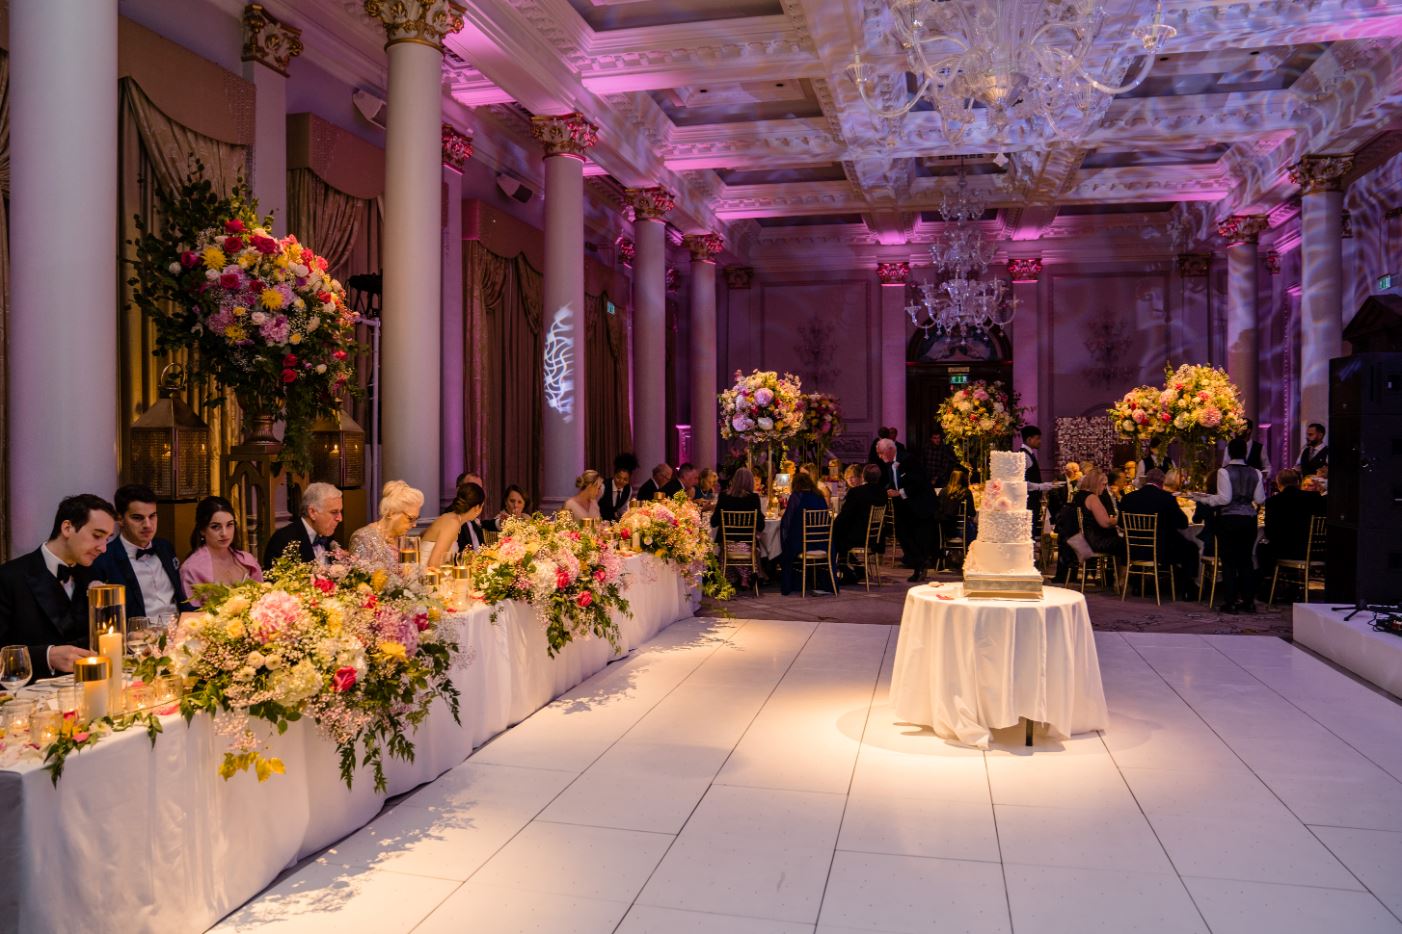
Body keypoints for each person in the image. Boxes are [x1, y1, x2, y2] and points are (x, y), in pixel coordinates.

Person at [0, 494, 116, 677]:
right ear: (67, 528)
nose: (103, 548)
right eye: (97, 536)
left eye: (107, 539)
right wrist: (47, 657)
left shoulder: (94, 575)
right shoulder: (9, 578)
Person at [1189, 436, 1266, 614]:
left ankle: (1230, 602)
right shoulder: (1256, 472)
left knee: (1229, 561)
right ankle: (1249, 602)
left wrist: (1206, 498)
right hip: (1249, 520)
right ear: (1245, 452)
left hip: (1230, 520)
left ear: (1229, 452)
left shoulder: (1224, 472)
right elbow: (1260, 499)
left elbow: (1225, 498)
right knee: (1246, 560)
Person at [92, 483, 191, 620]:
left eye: (152, 516)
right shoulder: (104, 559)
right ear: (120, 519)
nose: (148, 525)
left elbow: (181, 599)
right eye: (138, 518)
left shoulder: (165, 547)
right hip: (138, 638)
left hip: (180, 632)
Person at [1118, 468, 1198, 597]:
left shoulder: (1128, 498)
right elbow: (1183, 524)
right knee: (1191, 548)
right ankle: (1188, 589)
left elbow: (1121, 524)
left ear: (1146, 481)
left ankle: (1138, 585)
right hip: (1161, 550)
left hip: (1132, 548)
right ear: (1162, 482)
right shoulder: (1167, 498)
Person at [181, 495, 263, 601]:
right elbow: (192, 612)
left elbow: (261, 600)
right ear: (202, 530)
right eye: (216, 527)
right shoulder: (191, 569)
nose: (224, 533)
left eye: (229, 525)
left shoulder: (247, 561)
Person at [877, 437, 935, 582]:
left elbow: (919, 482)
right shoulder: (889, 462)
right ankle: (917, 563)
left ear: (890, 450)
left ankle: (919, 566)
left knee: (916, 536)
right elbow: (893, 481)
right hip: (902, 505)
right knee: (903, 534)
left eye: (881, 453)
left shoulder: (909, 459)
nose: (879, 456)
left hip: (918, 504)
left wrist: (900, 492)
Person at [1258, 468, 1326, 582]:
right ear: (1298, 482)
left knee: (1261, 549)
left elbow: (1270, 532)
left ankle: (1270, 585)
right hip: (1317, 550)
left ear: (1279, 483)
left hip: (1286, 550)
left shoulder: (1273, 501)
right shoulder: (1315, 498)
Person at [779, 472, 837, 595]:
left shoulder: (796, 496)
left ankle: (790, 583)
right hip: (822, 542)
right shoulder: (819, 495)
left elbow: (786, 522)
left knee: (786, 548)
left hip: (802, 543)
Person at [263, 482, 343, 569]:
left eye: (340, 512)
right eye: (334, 512)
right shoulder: (283, 541)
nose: (340, 518)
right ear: (312, 512)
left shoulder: (326, 535)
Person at [348, 480, 425, 571]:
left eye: (416, 519)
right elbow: (361, 580)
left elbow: (412, 573)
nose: (414, 525)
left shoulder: (403, 538)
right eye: (410, 519)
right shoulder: (363, 538)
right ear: (392, 513)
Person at [832, 463, 889, 581]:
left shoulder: (856, 492)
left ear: (863, 476)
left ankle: (848, 572)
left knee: (833, 537)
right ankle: (859, 570)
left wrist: (833, 524)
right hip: (875, 537)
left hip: (858, 536)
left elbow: (845, 515)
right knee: (838, 537)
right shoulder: (882, 492)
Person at [422, 480, 486, 567]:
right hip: (425, 576)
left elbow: (423, 535)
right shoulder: (453, 523)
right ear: (477, 507)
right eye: (482, 506)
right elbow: (433, 564)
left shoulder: (450, 517)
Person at [1073, 468, 1121, 556]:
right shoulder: (1092, 498)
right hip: (1094, 541)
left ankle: (1112, 569)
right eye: (1103, 485)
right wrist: (1115, 521)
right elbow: (1105, 523)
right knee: (1125, 543)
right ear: (1096, 483)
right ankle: (1117, 569)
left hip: (1080, 539)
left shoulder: (1078, 495)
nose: (1105, 488)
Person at [1018, 427, 1058, 529]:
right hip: (1028, 499)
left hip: (1033, 498)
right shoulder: (1023, 455)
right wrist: (1042, 486)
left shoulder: (1029, 454)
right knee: (1028, 528)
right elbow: (1021, 482)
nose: (1040, 441)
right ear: (1029, 439)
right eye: (1038, 438)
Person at [936, 469, 977, 551]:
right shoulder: (966, 492)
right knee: (975, 528)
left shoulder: (942, 492)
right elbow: (972, 513)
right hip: (961, 530)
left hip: (944, 530)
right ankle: (969, 554)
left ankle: (952, 555)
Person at [599, 457, 635, 522]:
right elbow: (594, 505)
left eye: (625, 479)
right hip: (600, 521)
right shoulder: (603, 486)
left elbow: (623, 509)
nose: (621, 481)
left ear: (629, 480)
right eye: (618, 477)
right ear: (614, 475)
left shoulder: (628, 489)